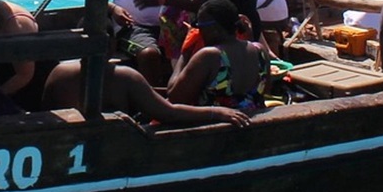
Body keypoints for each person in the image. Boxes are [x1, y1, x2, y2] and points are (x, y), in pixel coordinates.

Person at [40, 60, 249, 128]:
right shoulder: (124, 77)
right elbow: (169, 113)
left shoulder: (59, 70)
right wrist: (216, 113)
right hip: (105, 147)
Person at [166, 0, 269, 114]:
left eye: (200, 26)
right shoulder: (260, 50)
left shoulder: (209, 56)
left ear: (214, 29)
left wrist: (185, 52)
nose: (199, 31)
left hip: (217, 128)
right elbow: (264, 89)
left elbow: (174, 96)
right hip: (255, 126)